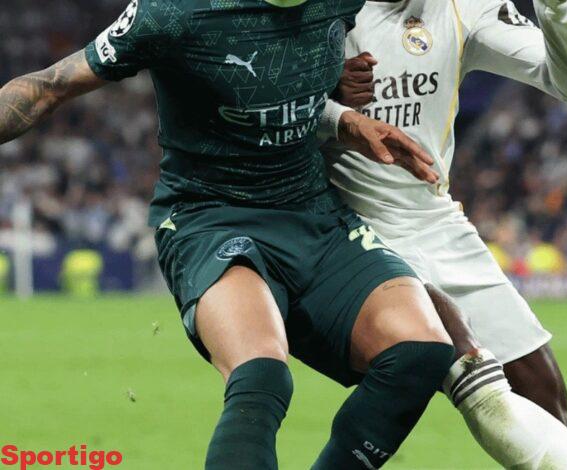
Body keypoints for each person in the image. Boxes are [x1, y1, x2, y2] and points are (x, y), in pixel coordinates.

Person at [0, 0, 458, 468]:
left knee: (421, 352)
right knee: (261, 374)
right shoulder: (175, 11)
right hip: (209, 217)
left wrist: (339, 99)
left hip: (314, 214)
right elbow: (51, 86)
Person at [322, 0, 567, 466]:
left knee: (543, 393)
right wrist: (330, 101)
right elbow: (257, 109)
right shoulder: (325, 10)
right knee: (473, 380)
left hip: (437, 223)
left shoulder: (463, 7)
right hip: (352, 228)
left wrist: (556, 9)